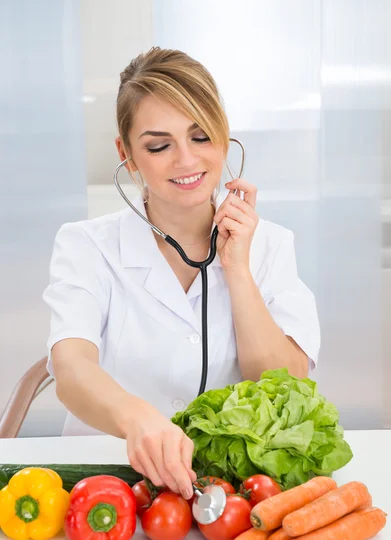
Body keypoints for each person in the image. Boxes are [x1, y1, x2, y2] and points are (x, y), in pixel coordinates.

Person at [43, 47, 320, 501]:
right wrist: (137, 419)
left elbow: (287, 385)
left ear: (224, 136)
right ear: (127, 154)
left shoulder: (270, 245)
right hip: (109, 487)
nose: (186, 160)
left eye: (201, 136)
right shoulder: (86, 245)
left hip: (228, 494)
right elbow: (71, 368)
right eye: (158, 145)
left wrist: (238, 272)